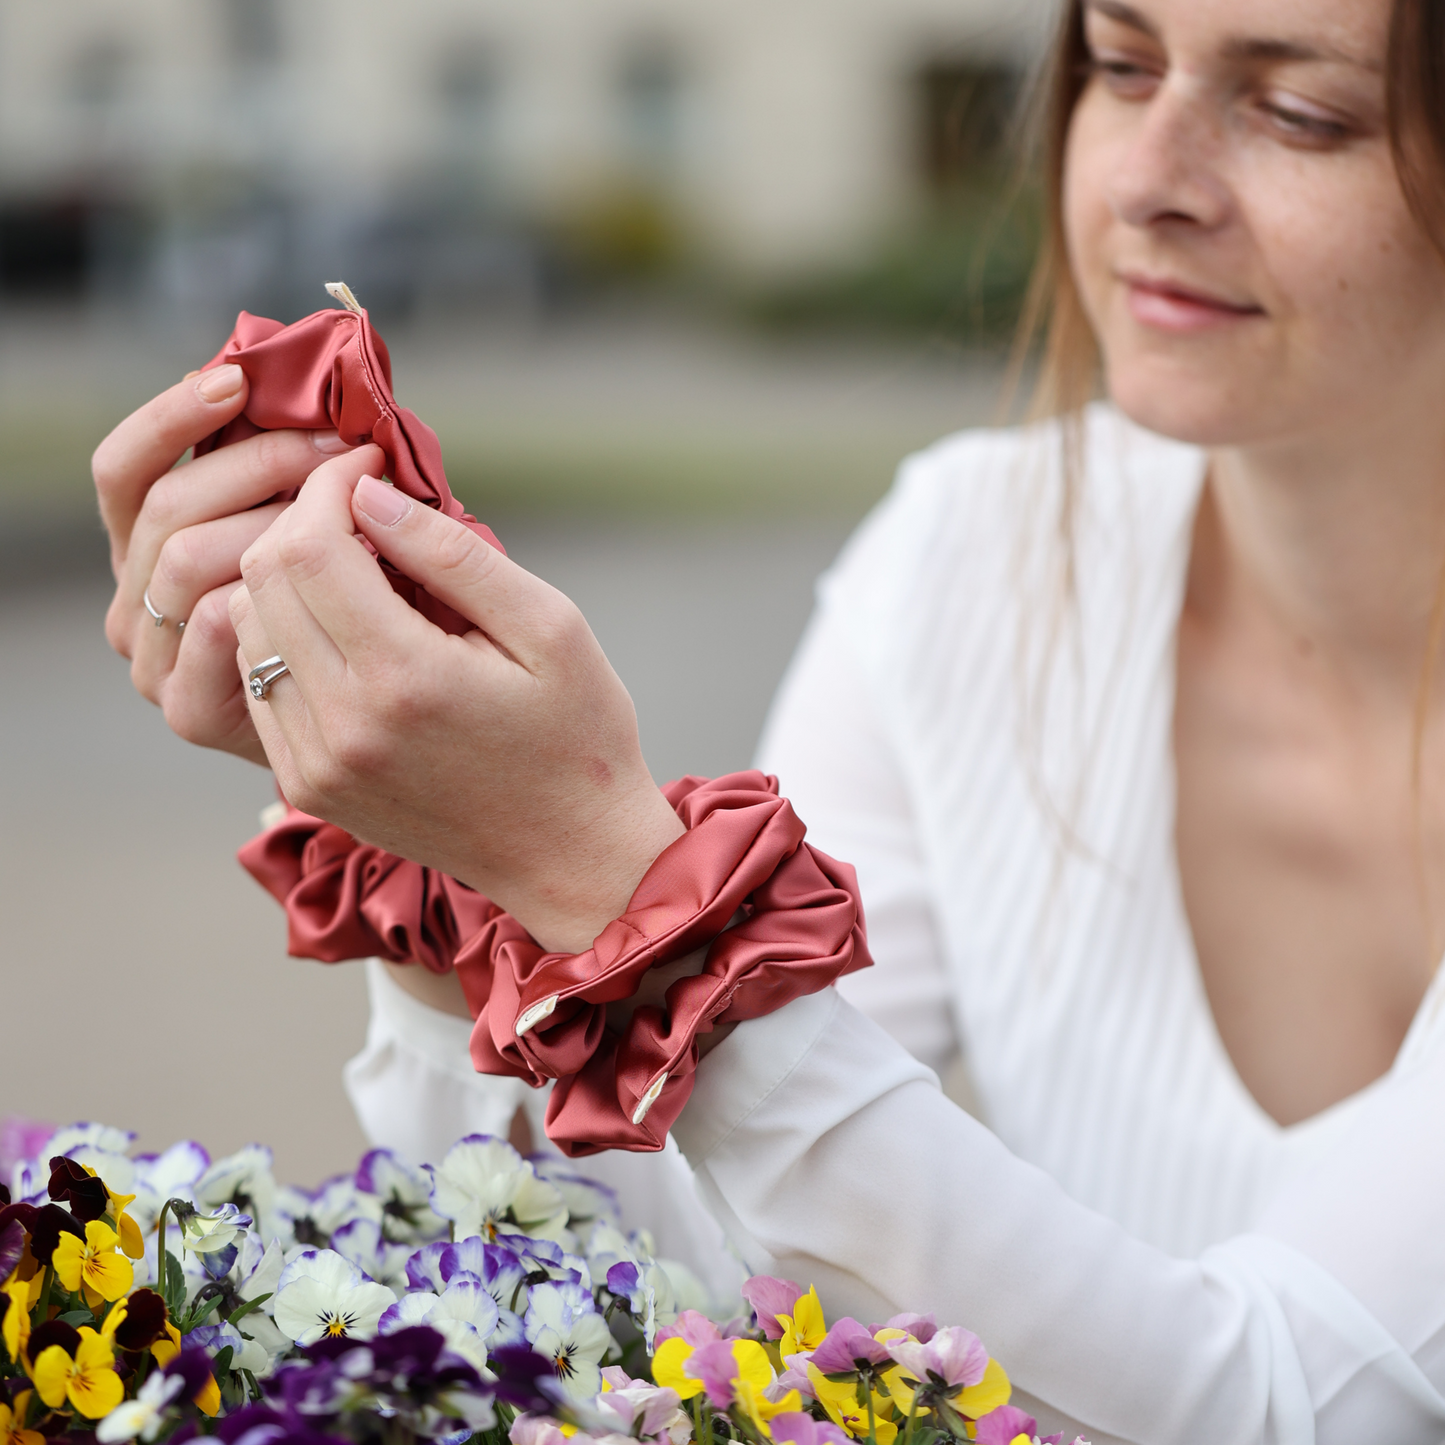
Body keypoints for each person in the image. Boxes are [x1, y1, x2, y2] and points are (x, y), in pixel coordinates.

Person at [93, 0, 1445, 1436]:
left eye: (1303, 113)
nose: (1144, 177)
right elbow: (668, 1293)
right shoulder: (974, 558)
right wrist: (457, 849)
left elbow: (1299, 1403)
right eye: (1121, 66)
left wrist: (610, 883)